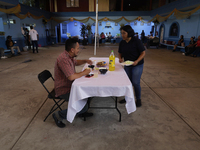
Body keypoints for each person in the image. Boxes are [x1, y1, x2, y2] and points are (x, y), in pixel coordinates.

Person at [53, 38, 93, 128]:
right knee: (84, 106)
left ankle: (80, 113)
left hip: (70, 85)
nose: (79, 50)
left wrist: (85, 61)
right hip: (64, 89)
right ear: (72, 50)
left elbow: (76, 62)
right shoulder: (63, 59)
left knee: (90, 92)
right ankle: (59, 115)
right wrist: (84, 73)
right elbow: (71, 77)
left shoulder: (69, 56)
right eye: (78, 48)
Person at [118, 25, 145, 107]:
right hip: (127, 64)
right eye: (121, 33)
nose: (122, 35)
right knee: (127, 82)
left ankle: (138, 99)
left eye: (124, 33)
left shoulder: (136, 41)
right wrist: (120, 58)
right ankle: (127, 98)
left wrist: (137, 61)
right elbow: (120, 52)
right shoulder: (122, 42)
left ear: (129, 33)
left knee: (135, 82)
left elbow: (143, 53)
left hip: (137, 65)